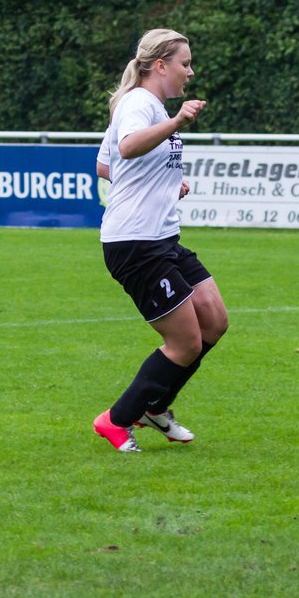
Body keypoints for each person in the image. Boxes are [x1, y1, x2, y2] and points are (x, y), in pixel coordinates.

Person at [92, 28, 228, 452]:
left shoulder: (146, 106)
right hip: (136, 243)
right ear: (160, 65)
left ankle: (156, 408)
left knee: (215, 321)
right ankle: (115, 420)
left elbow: (105, 164)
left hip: (162, 239)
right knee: (185, 342)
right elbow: (129, 146)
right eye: (185, 63)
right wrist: (176, 122)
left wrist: (164, 181)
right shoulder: (139, 105)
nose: (190, 71)